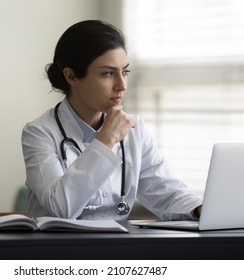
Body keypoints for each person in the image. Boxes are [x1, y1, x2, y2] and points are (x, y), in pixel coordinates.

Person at [21, 20, 202, 221]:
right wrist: (106, 140)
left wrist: (200, 209)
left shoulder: (135, 128)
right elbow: (61, 207)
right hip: (62, 250)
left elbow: (166, 193)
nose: (122, 85)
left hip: (117, 249)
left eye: (125, 72)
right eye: (108, 73)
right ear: (71, 76)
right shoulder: (39, 132)